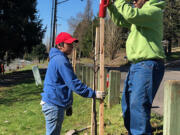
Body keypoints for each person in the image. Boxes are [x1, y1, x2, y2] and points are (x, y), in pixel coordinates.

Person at [108, 0, 165, 134]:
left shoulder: (153, 10)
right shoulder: (140, 16)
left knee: (138, 105)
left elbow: (131, 15)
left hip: (148, 64)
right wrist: (111, 6)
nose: (133, 1)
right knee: (127, 105)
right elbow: (121, 20)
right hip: (136, 66)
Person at [41, 32, 106, 135]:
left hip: (54, 103)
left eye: (72, 44)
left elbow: (62, 84)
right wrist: (93, 94)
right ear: (60, 45)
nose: (72, 46)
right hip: (54, 105)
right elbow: (73, 83)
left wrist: (67, 105)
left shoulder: (58, 58)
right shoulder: (60, 60)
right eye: (69, 44)